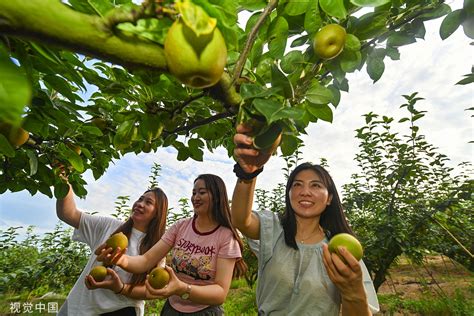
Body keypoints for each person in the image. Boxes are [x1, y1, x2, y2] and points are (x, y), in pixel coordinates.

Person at [231, 124, 380, 315]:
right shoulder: (274, 228)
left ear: (329, 198)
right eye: (297, 185)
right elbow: (240, 220)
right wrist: (248, 173)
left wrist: (353, 292)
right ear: (289, 193)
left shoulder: (339, 252)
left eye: (316, 185)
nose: (305, 192)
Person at [96, 174, 246, 315]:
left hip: (204, 312)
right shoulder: (181, 227)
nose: (195, 197)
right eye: (194, 193)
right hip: (171, 309)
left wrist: (182, 288)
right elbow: (146, 260)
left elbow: (220, 293)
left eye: (202, 192)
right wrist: (120, 259)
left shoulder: (226, 237)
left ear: (217, 197)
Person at [56, 183, 168, 316]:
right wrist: (63, 180)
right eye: (140, 199)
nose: (140, 204)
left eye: (148, 202)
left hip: (122, 310)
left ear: (158, 213)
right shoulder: (109, 226)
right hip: (81, 309)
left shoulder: (157, 248)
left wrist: (120, 288)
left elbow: (150, 291)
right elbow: (68, 213)